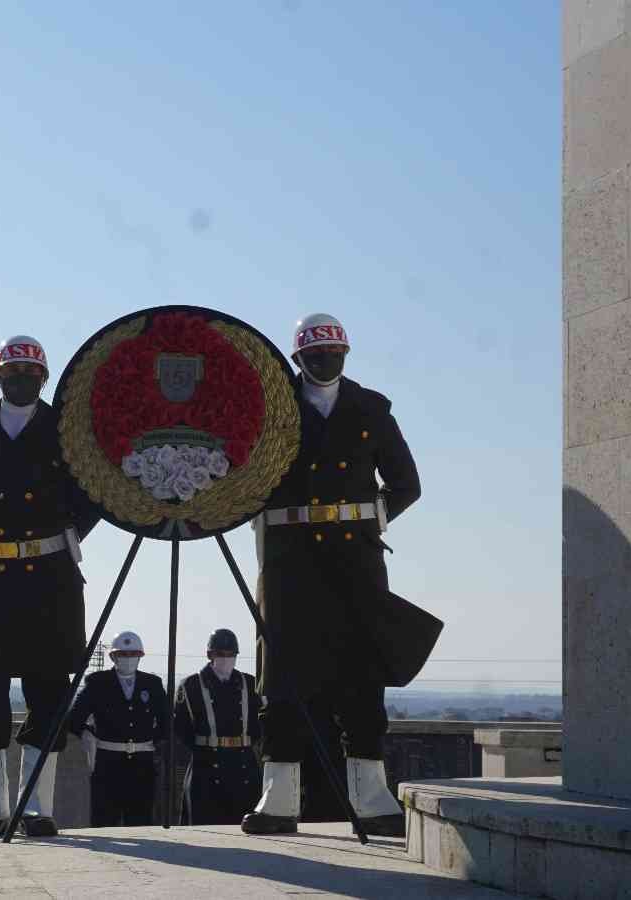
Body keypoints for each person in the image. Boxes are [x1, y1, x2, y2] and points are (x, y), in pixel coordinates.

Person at [242, 313, 425, 838]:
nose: (326, 364)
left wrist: (367, 520)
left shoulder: (370, 408)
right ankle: (278, 798)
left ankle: (372, 797)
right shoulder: (273, 410)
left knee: (362, 679)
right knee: (281, 680)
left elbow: (406, 483)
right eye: (317, 356)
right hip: (289, 564)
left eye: (335, 355)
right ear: (298, 359)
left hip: (355, 562)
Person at [0, 335, 100, 838]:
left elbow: (92, 495)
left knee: (49, 688)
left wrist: (57, 534)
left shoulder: (67, 433)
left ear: (44, 380)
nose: (22, 380)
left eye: (31, 374)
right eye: (13, 372)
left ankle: (36, 806)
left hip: (48, 577)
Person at [66, 630, 171, 827]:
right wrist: (87, 734)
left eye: (133, 655)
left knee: (142, 824)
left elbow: (166, 722)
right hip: (107, 765)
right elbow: (74, 718)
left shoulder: (153, 684)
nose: (128, 659)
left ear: (140, 657)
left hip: (143, 765)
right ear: (113, 656)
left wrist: (152, 743)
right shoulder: (97, 683)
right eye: (123, 654)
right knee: (104, 824)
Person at [176, 628, 262, 825]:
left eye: (231, 654)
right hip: (206, 768)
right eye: (220, 654)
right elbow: (182, 728)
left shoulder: (249, 683)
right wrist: (205, 747)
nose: (226, 659)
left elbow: (259, 725)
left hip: (243, 766)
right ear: (209, 655)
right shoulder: (190, 685)